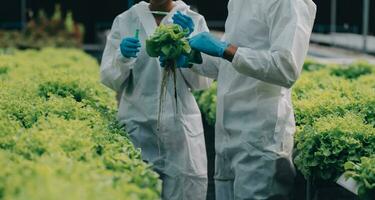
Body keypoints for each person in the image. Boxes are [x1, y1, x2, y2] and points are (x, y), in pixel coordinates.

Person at [173, 0, 317, 199]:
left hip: (260, 138)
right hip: (227, 136)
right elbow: (228, 64)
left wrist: (226, 49)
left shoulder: (288, 2)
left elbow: (286, 68)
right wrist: (192, 57)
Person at [100, 1, 212, 199]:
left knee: (185, 189)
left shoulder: (193, 20)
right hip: (137, 127)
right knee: (139, 191)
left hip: (180, 130)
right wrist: (122, 57)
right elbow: (110, 80)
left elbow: (203, 82)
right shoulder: (126, 20)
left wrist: (189, 45)